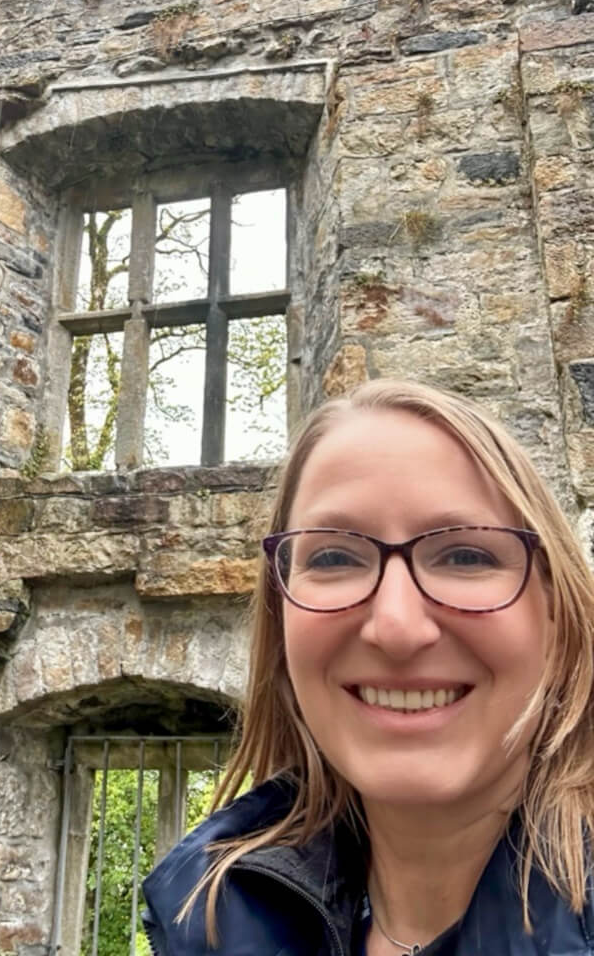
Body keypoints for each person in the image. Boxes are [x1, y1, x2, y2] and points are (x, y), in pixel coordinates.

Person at [142, 379, 594, 955]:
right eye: (334, 557)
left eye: (465, 555)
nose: (397, 628)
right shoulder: (212, 922)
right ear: (281, 623)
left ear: (556, 615)